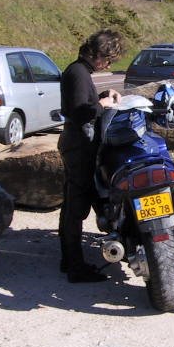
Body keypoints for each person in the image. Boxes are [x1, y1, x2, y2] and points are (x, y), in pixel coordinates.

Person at [58, 29, 123, 283]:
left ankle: (68, 260)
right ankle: (75, 267)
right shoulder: (77, 72)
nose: (108, 65)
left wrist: (102, 97)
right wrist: (102, 106)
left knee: (74, 203)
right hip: (78, 146)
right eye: (108, 60)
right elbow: (79, 112)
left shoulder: (80, 71)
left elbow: (84, 103)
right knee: (76, 207)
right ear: (98, 54)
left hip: (77, 144)